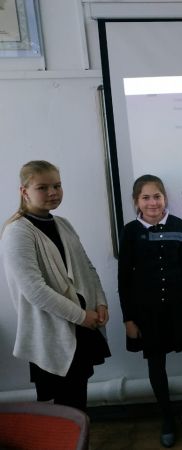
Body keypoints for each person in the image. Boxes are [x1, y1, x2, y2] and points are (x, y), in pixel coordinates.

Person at [2, 160, 111, 412]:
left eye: (57, 186)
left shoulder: (63, 224)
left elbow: (87, 267)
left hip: (81, 328)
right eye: (43, 187)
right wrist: (82, 316)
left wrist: (100, 302)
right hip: (53, 333)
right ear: (24, 191)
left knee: (78, 400)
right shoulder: (18, 232)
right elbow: (35, 290)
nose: (53, 192)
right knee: (63, 409)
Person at [118, 174, 182, 448]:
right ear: (136, 201)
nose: (152, 202)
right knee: (156, 366)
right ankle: (167, 418)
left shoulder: (178, 225)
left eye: (157, 196)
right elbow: (124, 279)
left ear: (165, 198)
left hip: (181, 309)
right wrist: (128, 318)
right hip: (148, 313)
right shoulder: (130, 231)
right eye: (145, 197)